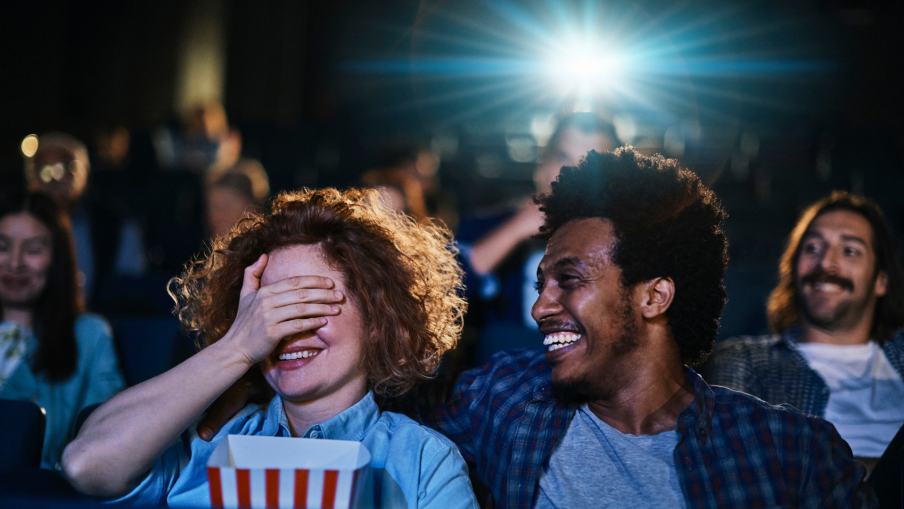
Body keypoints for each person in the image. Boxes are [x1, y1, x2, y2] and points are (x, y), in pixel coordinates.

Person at [200, 148, 878, 508]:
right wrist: (257, 331)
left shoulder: (786, 452)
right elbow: (360, 387)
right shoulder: (504, 399)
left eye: (570, 280)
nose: (540, 306)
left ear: (654, 295)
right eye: (541, 281)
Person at [62, 188, 478, 508]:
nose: (284, 331)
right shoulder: (206, 441)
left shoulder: (423, 460)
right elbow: (87, 464)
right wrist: (237, 347)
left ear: (376, 321)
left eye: (310, 304)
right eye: (267, 309)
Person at [704, 191, 904, 475]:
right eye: (812, 248)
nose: (825, 263)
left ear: (881, 281)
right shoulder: (745, 361)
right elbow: (735, 469)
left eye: (850, 251)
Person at [457, 112, 618, 361]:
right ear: (541, 165)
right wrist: (515, 231)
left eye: (590, 167)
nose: (572, 176)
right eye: (563, 158)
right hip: (502, 384)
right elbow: (435, 302)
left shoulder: (628, 239)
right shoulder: (486, 226)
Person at [0, 189, 125, 470]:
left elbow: (109, 435)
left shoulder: (89, 335)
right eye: (3, 247)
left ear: (56, 259)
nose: (15, 262)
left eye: (33, 250)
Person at [24, 132, 147, 306]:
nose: (54, 179)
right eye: (44, 170)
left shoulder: (116, 226)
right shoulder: (13, 226)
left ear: (85, 173)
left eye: (64, 168)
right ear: (31, 178)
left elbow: (131, 292)